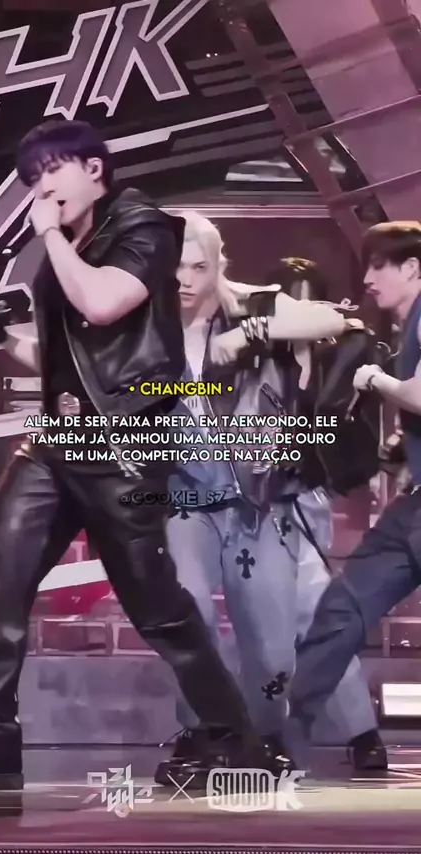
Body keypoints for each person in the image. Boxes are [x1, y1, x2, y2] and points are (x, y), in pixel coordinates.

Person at [0, 120, 290, 791]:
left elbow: (103, 305)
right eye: (31, 178)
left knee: (155, 602)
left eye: (52, 170)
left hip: (123, 444)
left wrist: (48, 237)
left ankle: (233, 738)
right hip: (58, 439)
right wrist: (4, 335)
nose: (41, 186)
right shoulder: (68, 248)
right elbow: (74, 359)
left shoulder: (144, 226)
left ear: (94, 169)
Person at [155, 215, 383, 786]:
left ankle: (260, 737)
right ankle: (201, 732)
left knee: (273, 645)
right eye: (176, 267)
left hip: (261, 500)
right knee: (189, 616)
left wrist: (252, 333)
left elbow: (337, 320)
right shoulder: (145, 323)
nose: (185, 279)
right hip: (187, 497)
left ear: (218, 266)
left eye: (199, 266)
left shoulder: (254, 304)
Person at [288, 222, 421, 750]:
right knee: (342, 608)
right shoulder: (407, 327)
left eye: (378, 266)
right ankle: (282, 741)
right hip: (412, 511)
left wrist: (375, 380)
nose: (367, 278)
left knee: (341, 609)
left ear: (412, 268)